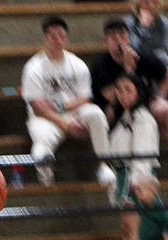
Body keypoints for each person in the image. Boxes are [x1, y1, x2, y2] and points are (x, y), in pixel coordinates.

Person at [21, 15, 116, 188]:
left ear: (67, 39)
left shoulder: (77, 64)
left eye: (62, 36)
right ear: (45, 39)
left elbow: (85, 98)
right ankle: (47, 182)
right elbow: (38, 107)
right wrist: (64, 123)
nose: (58, 40)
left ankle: (104, 167)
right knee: (41, 148)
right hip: (45, 118)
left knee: (96, 114)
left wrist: (62, 106)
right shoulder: (33, 68)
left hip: (74, 112)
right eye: (53, 36)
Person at [91, 18, 168, 174]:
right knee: (104, 117)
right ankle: (106, 167)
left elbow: (167, 76)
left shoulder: (143, 56)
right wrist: (128, 70)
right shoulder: (101, 67)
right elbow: (117, 97)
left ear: (128, 38)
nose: (119, 40)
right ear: (106, 41)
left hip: (147, 104)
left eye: (122, 35)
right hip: (117, 109)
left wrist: (160, 96)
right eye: (113, 37)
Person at [108, 73, 162, 240]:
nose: (123, 95)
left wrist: (137, 182)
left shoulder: (142, 118)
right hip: (124, 175)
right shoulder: (124, 117)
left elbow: (143, 152)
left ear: (138, 92)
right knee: (128, 231)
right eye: (119, 90)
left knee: (131, 232)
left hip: (135, 177)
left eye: (128, 90)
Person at [125, 0, 168, 108]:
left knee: (161, 56)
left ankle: (162, 100)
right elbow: (137, 48)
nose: (151, 5)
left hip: (165, 67)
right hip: (141, 65)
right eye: (146, 2)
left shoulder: (163, 23)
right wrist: (144, 27)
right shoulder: (130, 23)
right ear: (139, 3)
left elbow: (165, 48)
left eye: (154, 2)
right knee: (160, 56)